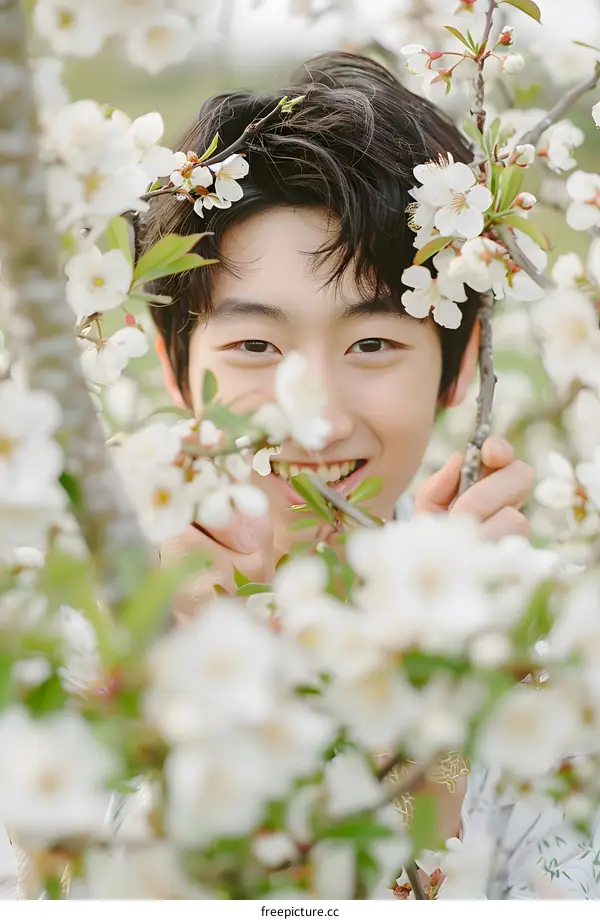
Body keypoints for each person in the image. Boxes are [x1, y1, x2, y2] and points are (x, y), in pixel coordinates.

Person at [137, 52, 599, 898]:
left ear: (457, 374)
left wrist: (437, 744)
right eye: (254, 346)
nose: (315, 415)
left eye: (373, 344)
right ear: (175, 370)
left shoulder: (552, 677)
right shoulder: (71, 664)